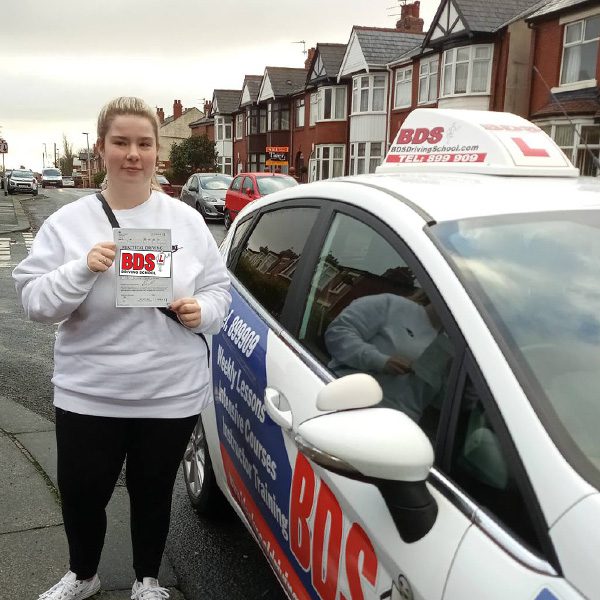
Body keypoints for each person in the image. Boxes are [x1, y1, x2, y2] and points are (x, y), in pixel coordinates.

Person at [13, 96, 231, 600]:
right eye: (121, 142)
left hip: (168, 390)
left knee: (153, 495)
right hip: (91, 391)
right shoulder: (68, 223)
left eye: (144, 143)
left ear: (157, 151)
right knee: (83, 495)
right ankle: (83, 574)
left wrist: (204, 310)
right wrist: (81, 268)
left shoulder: (186, 221)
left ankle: (147, 580)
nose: (133, 153)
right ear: (102, 150)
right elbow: (34, 303)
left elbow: (221, 290)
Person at [324, 290, 452, 423]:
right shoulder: (391, 305)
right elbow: (338, 333)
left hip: (398, 428)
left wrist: (467, 388)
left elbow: (441, 402)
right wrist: (380, 361)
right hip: (347, 408)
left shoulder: (455, 349)